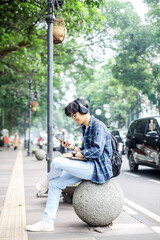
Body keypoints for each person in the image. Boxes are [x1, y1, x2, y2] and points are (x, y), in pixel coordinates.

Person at [26, 98, 113, 232]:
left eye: (74, 115)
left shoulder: (98, 126)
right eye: (72, 116)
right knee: (55, 184)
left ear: (83, 110)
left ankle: (47, 180)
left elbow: (96, 151)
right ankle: (47, 222)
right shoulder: (86, 127)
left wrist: (72, 156)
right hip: (88, 165)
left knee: (57, 161)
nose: (74, 118)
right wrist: (73, 148)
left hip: (97, 168)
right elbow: (86, 151)